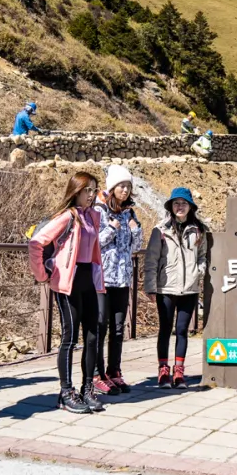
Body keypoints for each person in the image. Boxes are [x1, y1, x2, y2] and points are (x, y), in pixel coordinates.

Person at [28, 173, 107, 414]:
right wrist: (42, 275)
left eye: (94, 190)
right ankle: (66, 392)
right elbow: (36, 242)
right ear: (76, 191)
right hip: (67, 282)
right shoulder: (67, 216)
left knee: (93, 336)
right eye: (87, 190)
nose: (92, 195)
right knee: (70, 337)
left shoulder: (92, 216)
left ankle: (87, 389)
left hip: (88, 280)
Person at [143, 187, 209, 388]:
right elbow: (151, 261)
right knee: (165, 329)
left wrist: (199, 271)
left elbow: (202, 255)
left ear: (190, 207)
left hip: (189, 288)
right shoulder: (160, 230)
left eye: (184, 203)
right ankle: (163, 371)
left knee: (182, 330)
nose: (180, 207)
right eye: (176, 203)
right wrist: (151, 288)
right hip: (166, 288)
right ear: (171, 207)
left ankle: (179, 371)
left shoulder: (199, 230)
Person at [94, 164, 143, 395]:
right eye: (121, 186)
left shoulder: (129, 213)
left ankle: (115, 371)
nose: (125, 190)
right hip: (102, 278)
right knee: (100, 326)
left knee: (117, 329)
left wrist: (134, 230)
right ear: (112, 188)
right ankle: (97, 373)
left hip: (123, 279)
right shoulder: (99, 210)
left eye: (128, 186)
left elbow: (136, 247)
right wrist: (112, 228)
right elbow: (95, 242)